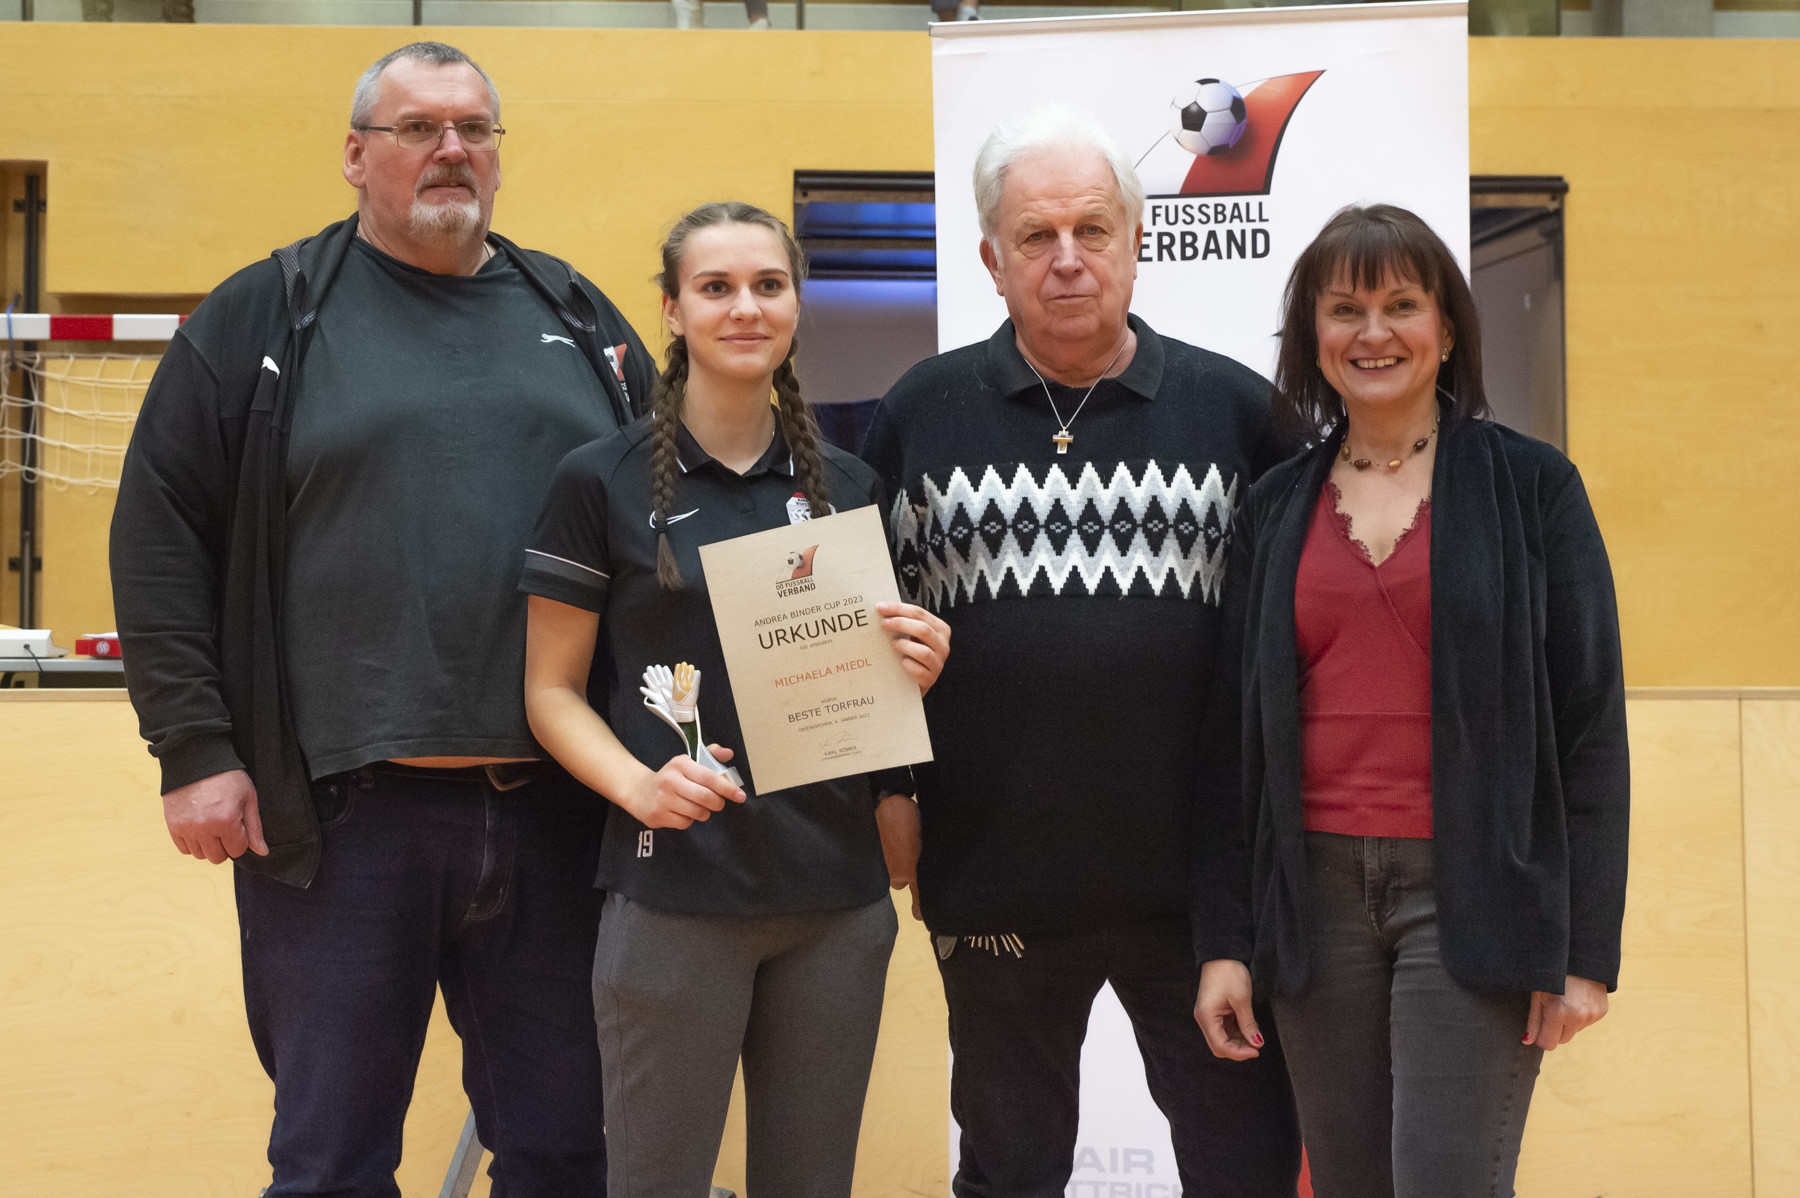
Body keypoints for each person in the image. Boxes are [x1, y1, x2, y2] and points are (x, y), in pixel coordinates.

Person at [109, 41, 655, 1198]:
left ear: (498, 152)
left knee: (567, 1154)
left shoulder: (579, 315)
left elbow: (676, 516)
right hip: (341, 822)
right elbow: (159, 531)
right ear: (357, 156)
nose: (451, 149)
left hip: (557, 813)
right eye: (417, 128)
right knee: (331, 1165)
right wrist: (194, 748)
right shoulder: (266, 314)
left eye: (474, 128)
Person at [859, 104, 1300, 1198]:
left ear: (1137, 242)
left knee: (1242, 1166)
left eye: (1093, 230)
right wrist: (889, 787)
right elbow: (860, 632)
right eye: (1036, 236)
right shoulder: (920, 413)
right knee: (1007, 1174)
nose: (1067, 259)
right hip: (994, 881)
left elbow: (1299, 638)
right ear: (991, 260)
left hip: (1203, 897)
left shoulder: (1239, 413)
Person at [1193, 203, 1630, 1198]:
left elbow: (1591, 727)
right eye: (1345, 309)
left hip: (1474, 892)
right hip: (1311, 901)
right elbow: (1230, 748)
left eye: (1401, 304)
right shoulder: (1274, 506)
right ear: (1314, 334)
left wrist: (1585, 951)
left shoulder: (1535, 489)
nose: (1374, 332)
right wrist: (1223, 943)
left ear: (1447, 329)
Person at [520, 201, 951, 1198]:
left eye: (768, 285)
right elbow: (549, 691)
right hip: (675, 895)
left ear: (797, 304)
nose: (745, 308)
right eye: (716, 288)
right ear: (673, 311)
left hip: (836, 901)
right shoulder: (600, 481)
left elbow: (870, 687)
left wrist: (915, 666)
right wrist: (638, 785)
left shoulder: (850, 485)